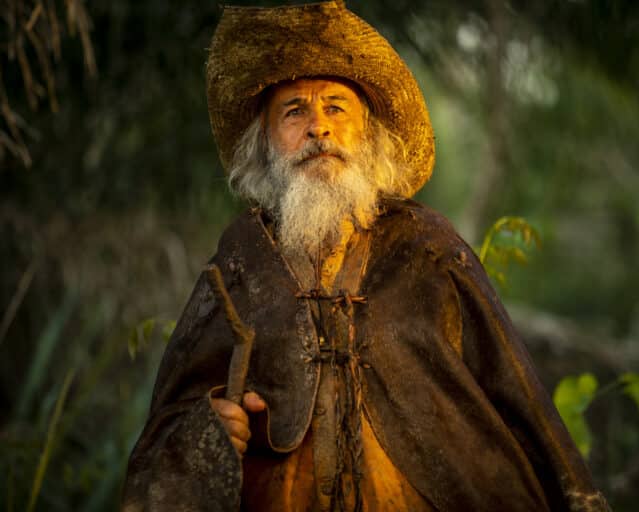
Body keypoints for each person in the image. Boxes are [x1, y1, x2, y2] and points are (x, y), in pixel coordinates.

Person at [122, 2, 610, 511]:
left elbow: (520, 401)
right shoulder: (240, 262)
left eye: (336, 107)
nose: (318, 128)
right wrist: (210, 428)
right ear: (264, 144)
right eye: (294, 112)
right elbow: (165, 434)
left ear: (369, 134)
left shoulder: (429, 248)